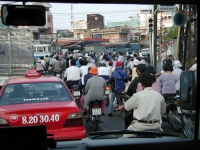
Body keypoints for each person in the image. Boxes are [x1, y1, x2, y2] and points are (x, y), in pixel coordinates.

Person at [118, 73, 166, 137]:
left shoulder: (137, 95)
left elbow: (126, 106)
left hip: (139, 127)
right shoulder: (159, 96)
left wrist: (120, 108)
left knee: (124, 139)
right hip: (156, 127)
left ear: (141, 84)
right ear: (152, 83)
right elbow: (163, 111)